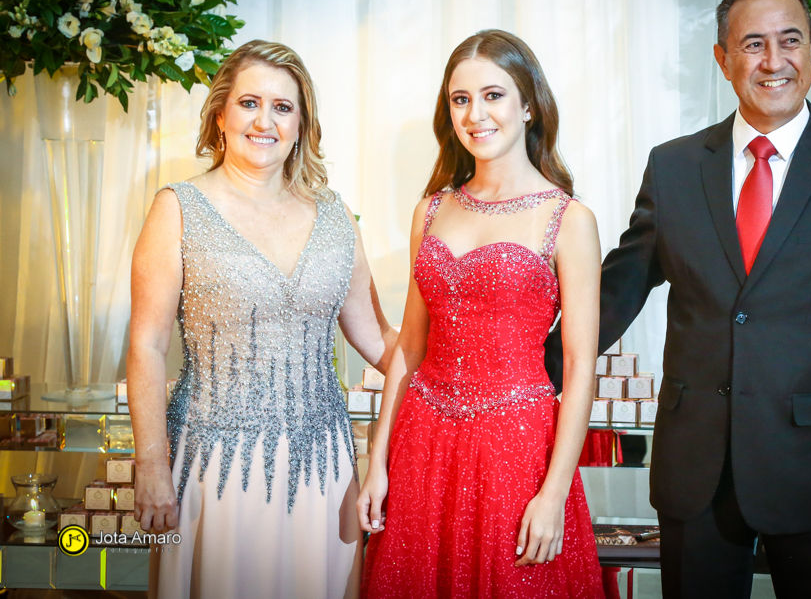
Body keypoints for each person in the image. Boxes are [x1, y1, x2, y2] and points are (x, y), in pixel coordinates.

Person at [545, 0, 811, 598]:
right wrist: (529, 370)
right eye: (753, 44)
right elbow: (617, 290)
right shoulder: (673, 167)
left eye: (790, 41)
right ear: (723, 60)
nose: (774, 61)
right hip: (697, 467)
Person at [128, 40, 397, 599]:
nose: (264, 121)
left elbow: (377, 338)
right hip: (212, 464)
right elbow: (147, 344)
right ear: (220, 115)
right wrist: (150, 463)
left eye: (282, 107)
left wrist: (471, 366)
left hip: (324, 466)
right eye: (249, 103)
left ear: (301, 125)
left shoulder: (335, 215)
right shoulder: (177, 208)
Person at [357, 29, 605, 598]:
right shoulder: (431, 210)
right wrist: (378, 461)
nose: (475, 114)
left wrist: (554, 493)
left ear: (529, 105)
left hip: (515, 450)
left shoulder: (569, 220)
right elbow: (410, 348)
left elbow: (579, 368)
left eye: (493, 95)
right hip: (423, 443)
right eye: (460, 99)